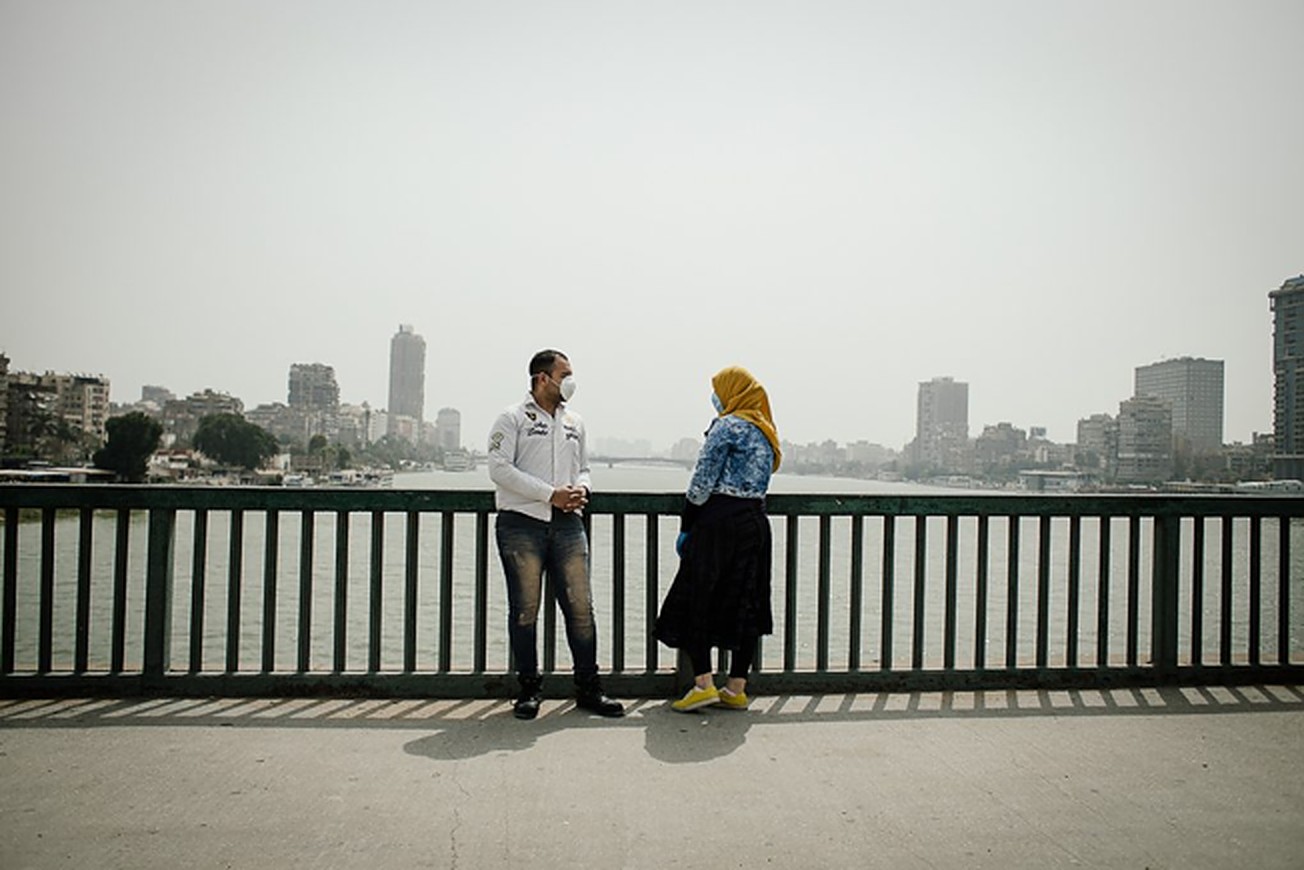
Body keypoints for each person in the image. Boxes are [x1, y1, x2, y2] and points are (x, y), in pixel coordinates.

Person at [487, 349, 624, 720]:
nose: (571, 381)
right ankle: (529, 691)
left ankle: (589, 689)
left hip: (568, 525)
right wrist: (550, 494)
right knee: (525, 611)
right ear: (542, 378)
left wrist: (582, 489)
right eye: (565, 374)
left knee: (582, 610)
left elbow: (585, 468)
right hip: (521, 524)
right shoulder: (512, 418)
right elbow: (499, 469)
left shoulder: (575, 422)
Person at [654, 365, 781, 712]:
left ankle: (703, 684)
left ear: (731, 392)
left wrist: (687, 525)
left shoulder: (726, 426)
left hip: (718, 522)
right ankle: (736, 688)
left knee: (697, 595)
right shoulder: (766, 431)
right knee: (747, 600)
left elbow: (701, 483)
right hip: (754, 522)